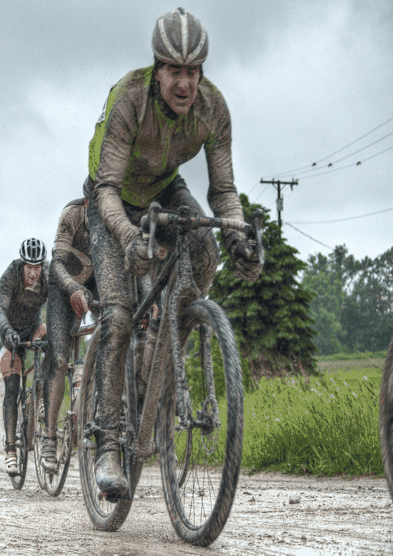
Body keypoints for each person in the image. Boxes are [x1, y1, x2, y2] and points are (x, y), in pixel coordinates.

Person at [85, 7, 262, 494]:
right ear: (157, 68)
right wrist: (127, 237)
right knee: (119, 315)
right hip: (111, 200)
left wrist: (238, 235)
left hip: (165, 189)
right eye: (174, 71)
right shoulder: (129, 100)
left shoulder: (213, 108)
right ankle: (107, 442)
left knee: (206, 248)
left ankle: (173, 339)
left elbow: (223, 193)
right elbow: (105, 190)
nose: (184, 83)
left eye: (193, 71)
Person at [40, 191, 96, 472]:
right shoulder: (72, 214)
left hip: (97, 284)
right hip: (63, 286)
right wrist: (73, 288)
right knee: (60, 360)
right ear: (87, 202)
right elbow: (57, 262)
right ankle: (49, 436)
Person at [0, 238, 48, 475]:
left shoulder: (47, 277)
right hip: (10, 335)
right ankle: (10, 451)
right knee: (12, 388)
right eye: (29, 268)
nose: (34, 273)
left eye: (37, 268)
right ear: (22, 265)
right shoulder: (11, 275)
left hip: (33, 327)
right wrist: (7, 332)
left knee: (50, 337)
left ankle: (43, 398)